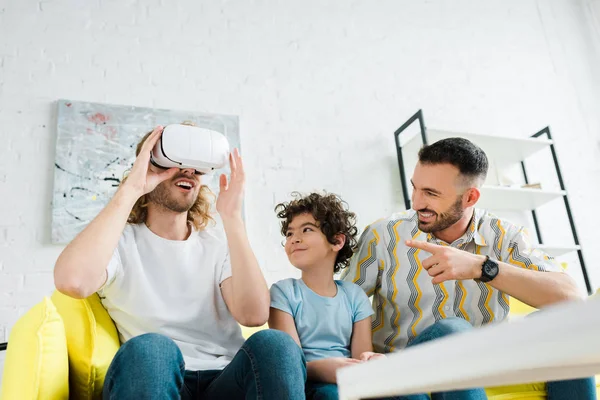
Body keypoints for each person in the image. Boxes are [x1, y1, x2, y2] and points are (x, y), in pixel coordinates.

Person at [54, 125, 306, 399]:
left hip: (226, 380)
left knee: (276, 343)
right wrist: (132, 189)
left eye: (196, 168)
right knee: (152, 348)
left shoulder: (216, 244)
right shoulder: (118, 243)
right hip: (156, 376)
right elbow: (73, 282)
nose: (188, 172)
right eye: (176, 164)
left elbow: (254, 315)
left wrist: (232, 218)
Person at [343, 137, 596, 399]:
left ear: (470, 197)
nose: (417, 202)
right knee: (454, 331)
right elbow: (343, 307)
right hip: (405, 365)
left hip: (481, 367)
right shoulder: (383, 235)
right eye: (415, 188)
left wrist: (482, 267)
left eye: (431, 193)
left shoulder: (504, 236)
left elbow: (571, 297)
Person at [269, 192, 386, 400]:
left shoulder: (354, 296)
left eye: (307, 229)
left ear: (337, 241)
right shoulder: (283, 293)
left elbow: (361, 357)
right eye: (289, 233)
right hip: (306, 384)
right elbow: (289, 365)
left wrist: (370, 361)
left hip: (349, 381)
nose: (294, 238)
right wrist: (324, 370)